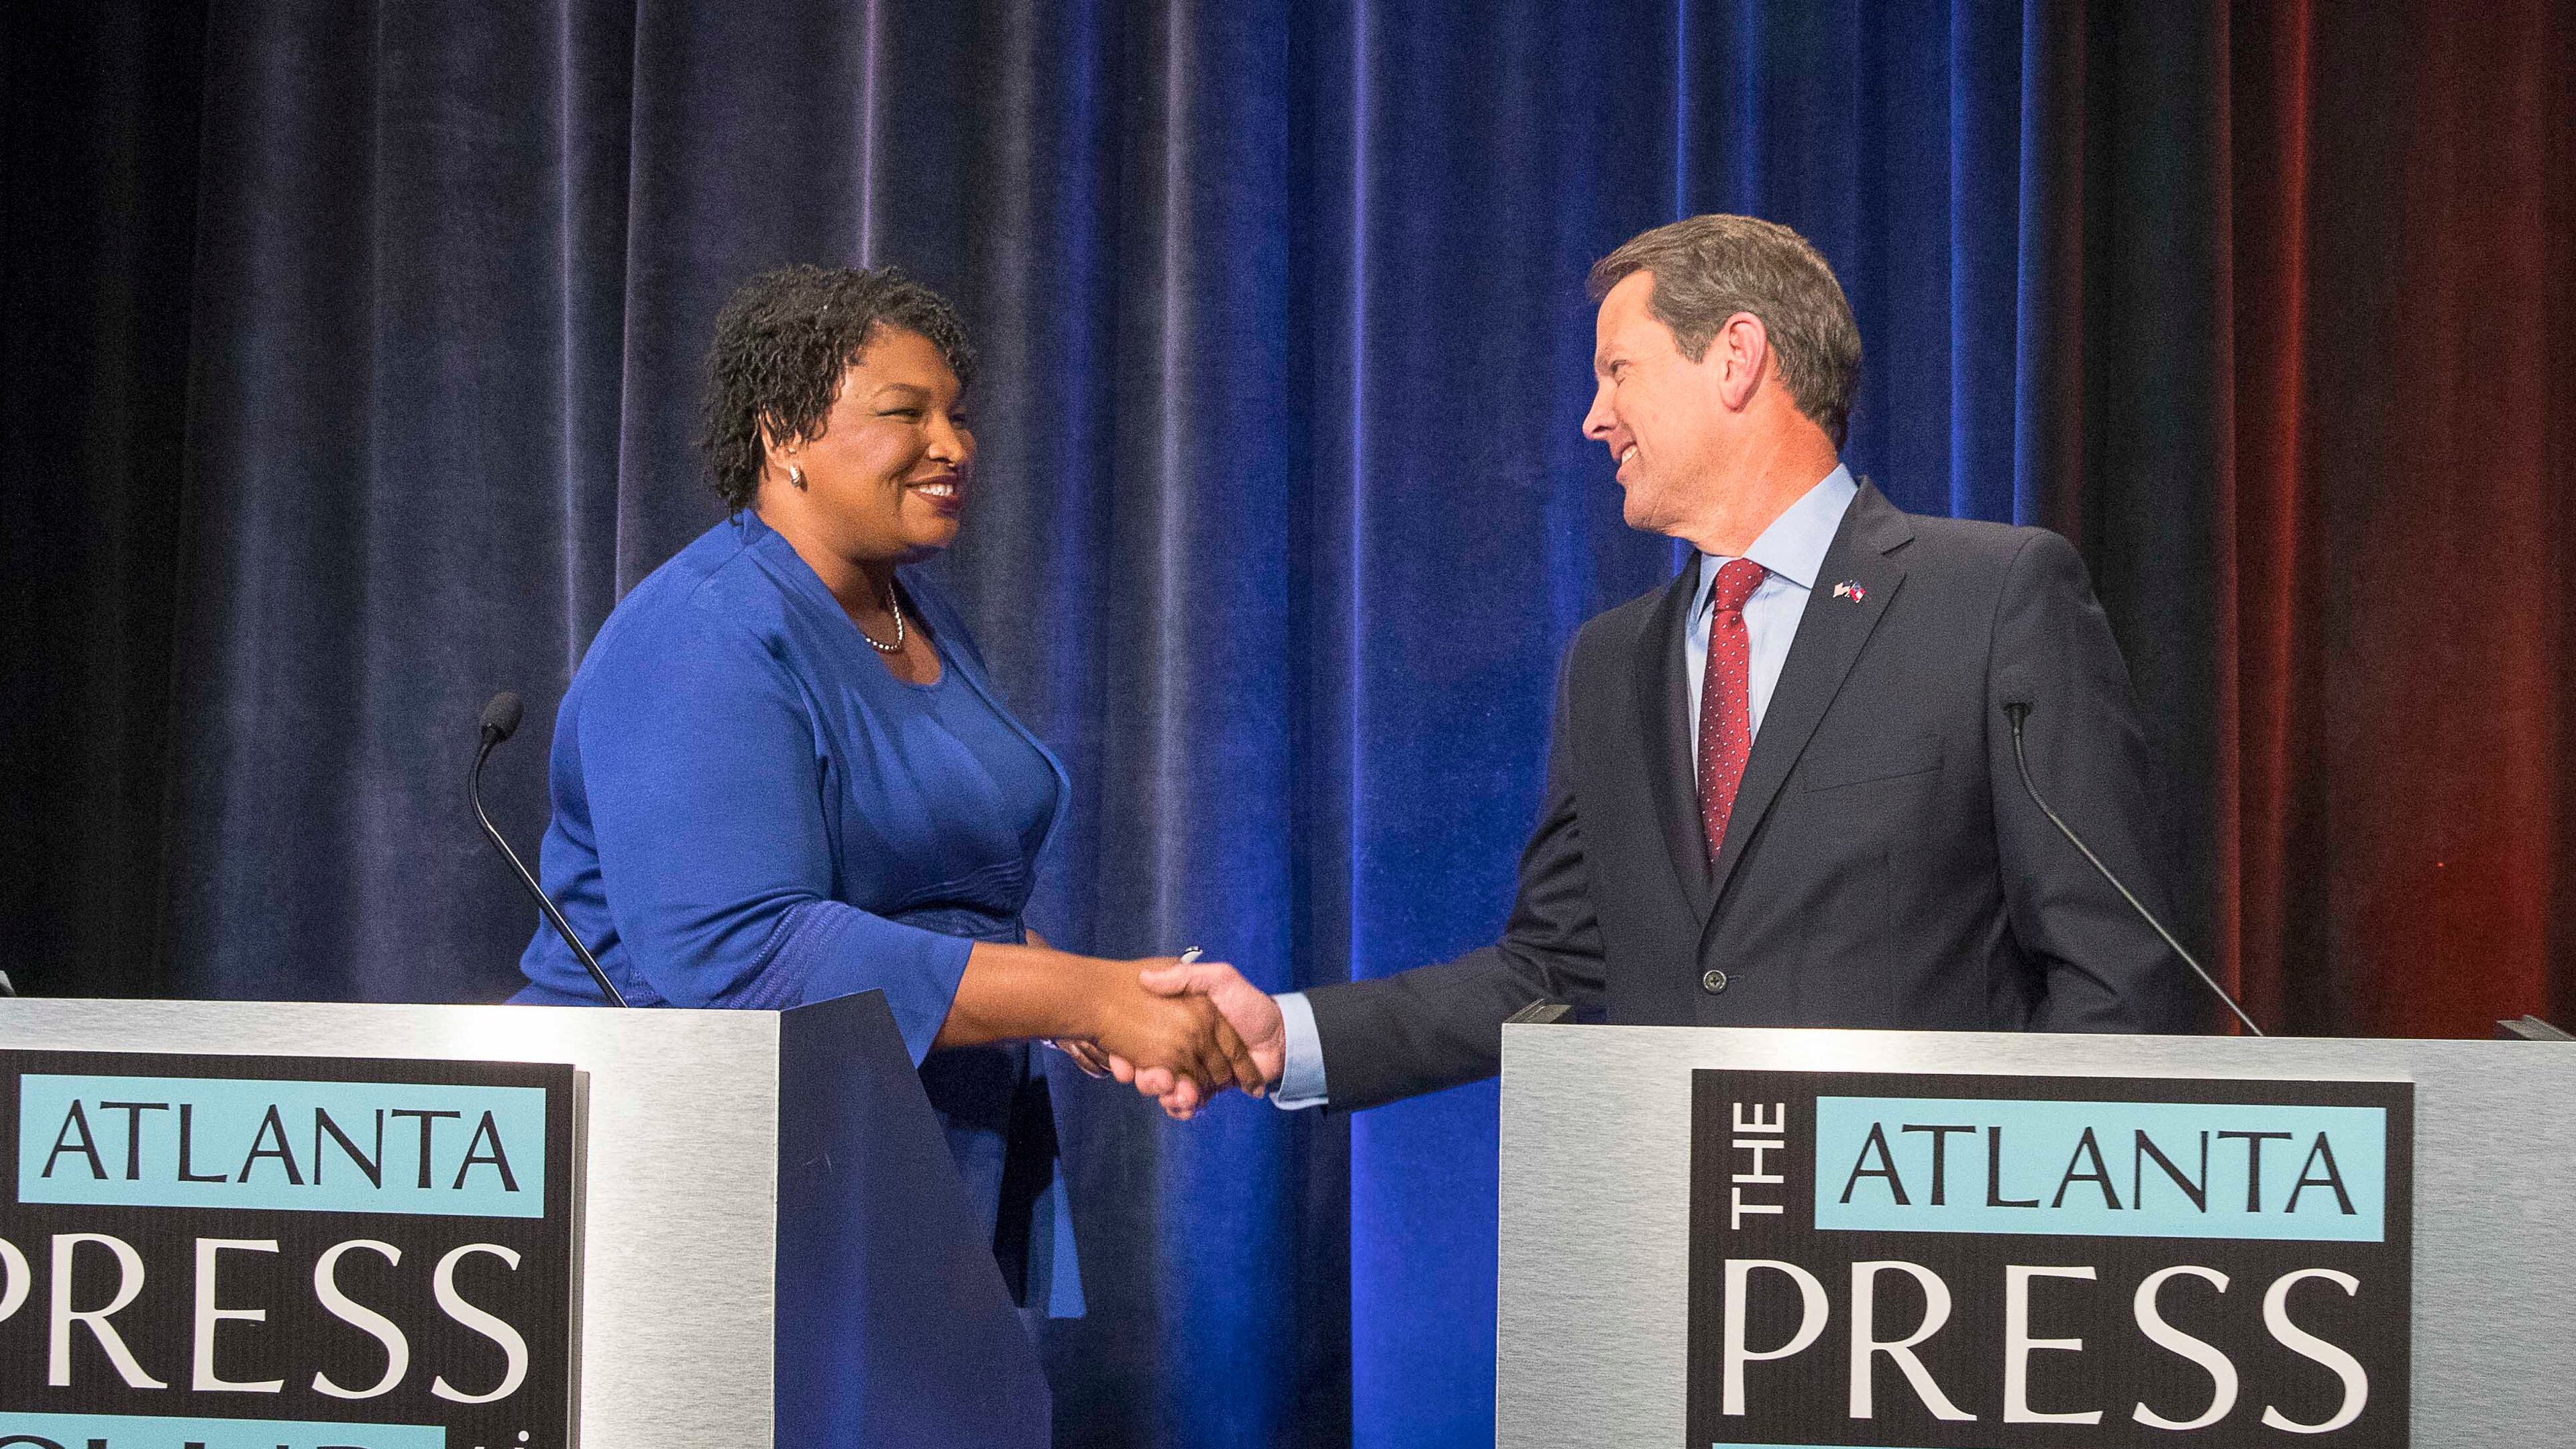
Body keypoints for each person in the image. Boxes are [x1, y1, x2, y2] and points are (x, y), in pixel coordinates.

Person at [1133, 213, 2193, 1115]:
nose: (1594, 418)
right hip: (1685, 1262)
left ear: (1736, 357)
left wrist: (2024, 1217)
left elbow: (2116, 970)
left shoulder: (1993, 596)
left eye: (1617, 371)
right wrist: (1289, 1036)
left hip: (1928, 1279)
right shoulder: (1612, 662)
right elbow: (1550, 975)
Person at [512, 264, 1264, 1313]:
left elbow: (923, 895)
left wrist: (1103, 999)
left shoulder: (907, 613)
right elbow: (743, 955)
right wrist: (1082, 996)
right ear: (782, 437)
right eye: (905, 413)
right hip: (714, 1177)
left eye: (957, 414)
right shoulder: (703, 634)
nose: (952, 445)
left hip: (918, 1143)